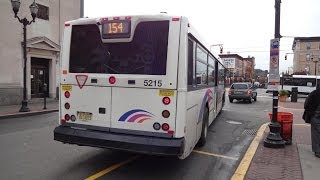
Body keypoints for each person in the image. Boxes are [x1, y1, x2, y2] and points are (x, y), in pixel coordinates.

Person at [303, 84, 320, 158]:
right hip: (315, 115)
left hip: (315, 116)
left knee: (315, 133)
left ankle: (317, 151)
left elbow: (306, 104)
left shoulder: (314, 93)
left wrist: (310, 112)